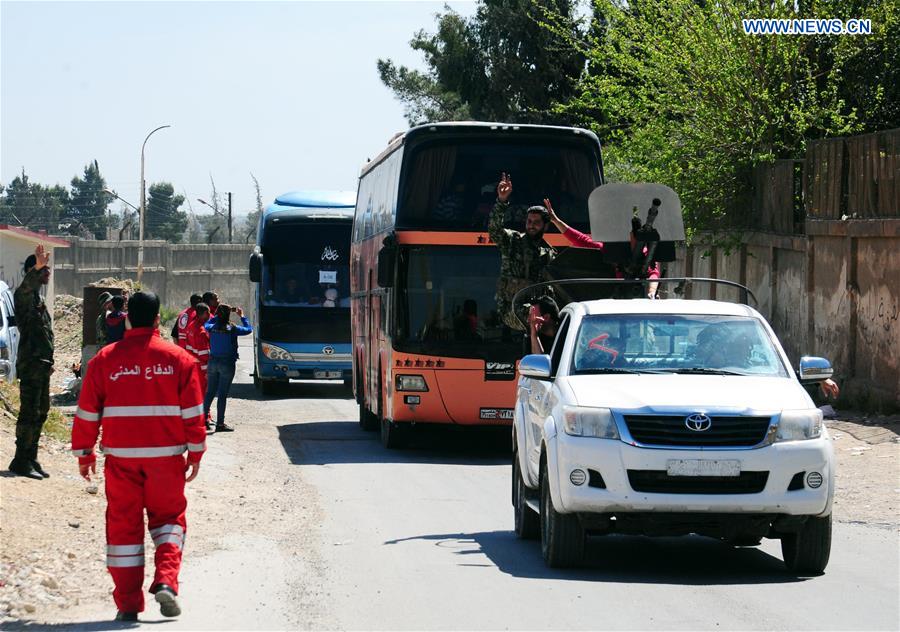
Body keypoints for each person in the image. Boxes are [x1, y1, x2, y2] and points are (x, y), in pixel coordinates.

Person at [71, 291, 206, 622]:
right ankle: (166, 581)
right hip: (167, 461)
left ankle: (128, 604)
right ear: (159, 319)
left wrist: (84, 453)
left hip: (121, 462)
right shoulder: (179, 360)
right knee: (170, 521)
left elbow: (87, 412)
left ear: (128, 317)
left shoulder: (105, 359)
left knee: (123, 530)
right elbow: (193, 413)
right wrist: (196, 452)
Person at [545, 200, 660, 297]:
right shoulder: (610, 251)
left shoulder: (645, 254)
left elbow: (653, 273)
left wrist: (651, 292)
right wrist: (556, 221)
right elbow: (580, 239)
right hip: (610, 301)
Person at [489, 172, 557, 331]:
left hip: (536, 314)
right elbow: (494, 230)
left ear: (545, 226)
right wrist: (501, 201)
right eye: (529, 221)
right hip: (512, 310)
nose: (531, 225)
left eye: (537, 222)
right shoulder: (513, 241)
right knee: (536, 316)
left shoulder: (549, 253)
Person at [8, 246, 54, 480]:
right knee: (28, 413)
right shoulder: (24, 296)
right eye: (43, 269)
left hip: (42, 364)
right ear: (31, 271)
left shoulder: (39, 300)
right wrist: (36, 267)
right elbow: (26, 287)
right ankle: (20, 460)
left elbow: (45, 333)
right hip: (31, 364)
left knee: (41, 412)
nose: (48, 272)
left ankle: (31, 457)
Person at [203, 304, 252, 433]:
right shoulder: (232, 328)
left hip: (212, 362)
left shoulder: (211, 327)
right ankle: (220, 424)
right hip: (227, 363)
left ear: (218, 314)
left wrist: (217, 316)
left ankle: (201, 421)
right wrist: (242, 316)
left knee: (210, 392)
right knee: (222, 395)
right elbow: (248, 329)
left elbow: (207, 323)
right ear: (229, 315)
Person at [185, 303, 212, 430]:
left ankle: (204, 417)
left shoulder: (190, 326)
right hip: (202, 368)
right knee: (205, 394)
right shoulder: (201, 331)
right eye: (208, 313)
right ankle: (204, 420)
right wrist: (208, 370)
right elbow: (204, 354)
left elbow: (189, 347)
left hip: (193, 365)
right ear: (205, 313)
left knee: (197, 394)